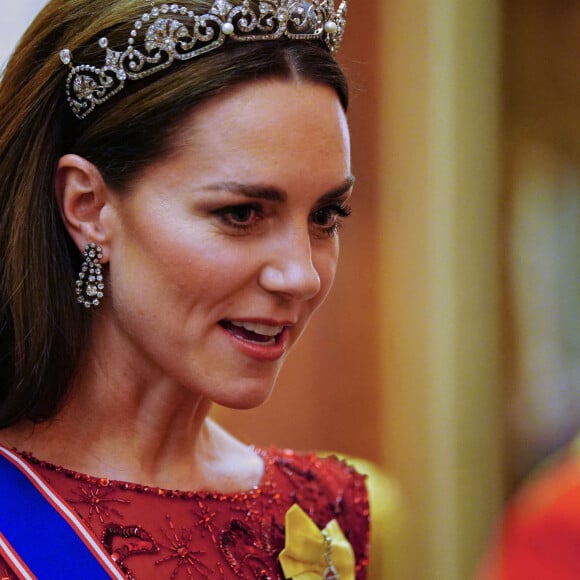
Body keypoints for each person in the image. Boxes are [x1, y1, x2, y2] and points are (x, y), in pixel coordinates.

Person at [0, 0, 370, 578]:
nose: (302, 275)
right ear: (89, 206)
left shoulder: (323, 511)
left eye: (326, 215)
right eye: (242, 213)